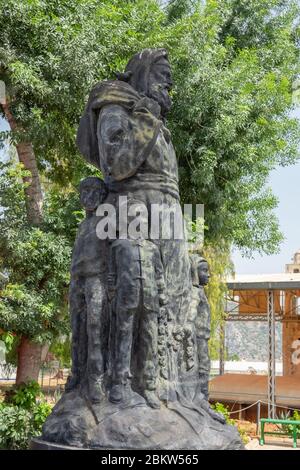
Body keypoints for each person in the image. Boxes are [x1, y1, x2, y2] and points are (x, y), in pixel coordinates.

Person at [107, 200, 166, 409]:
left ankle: (149, 387)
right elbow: (111, 275)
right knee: (123, 340)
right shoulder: (118, 246)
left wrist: (162, 295)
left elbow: (159, 275)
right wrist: (113, 294)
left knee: (149, 342)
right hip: (125, 299)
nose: (139, 219)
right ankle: (119, 382)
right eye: (134, 215)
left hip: (149, 302)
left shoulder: (152, 248)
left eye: (142, 215)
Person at [65, 177, 109, 404]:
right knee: (76, 332)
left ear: (102, 195)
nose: (88, 195)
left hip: (96, 281)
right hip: (77, 282)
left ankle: (96, 381)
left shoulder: (106, 223)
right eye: (84, 190)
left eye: (93, 190)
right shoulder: (83, 226)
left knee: (95, 332)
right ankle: (77, 375)